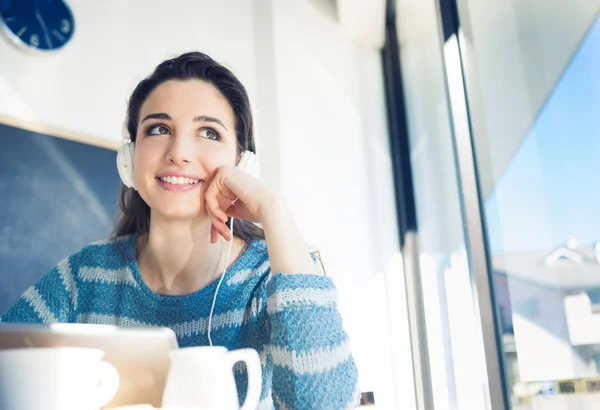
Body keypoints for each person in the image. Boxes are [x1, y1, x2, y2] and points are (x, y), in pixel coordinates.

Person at [1, 51, 360, 409]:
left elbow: (323, 404)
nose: (179, 152)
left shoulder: (271, 276)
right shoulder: (83, 277)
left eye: (208, 132)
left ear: (242, 164)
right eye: (159, 129)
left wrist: (274, 210)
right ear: (129, 158)